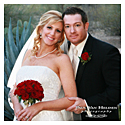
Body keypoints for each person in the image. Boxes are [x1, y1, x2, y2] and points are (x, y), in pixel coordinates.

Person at [9, 10, 77, 121]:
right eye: (49, 27)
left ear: (61, 36)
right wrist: (17, 107)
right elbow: (15, 89)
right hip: (22, 117)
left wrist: (39, 106)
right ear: (40, 29)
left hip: (48, 118)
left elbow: (71, 98)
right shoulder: (28, 54)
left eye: (58, 31)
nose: (52, 33)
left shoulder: (61, 59)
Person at [61, 7, 121, 121]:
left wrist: (86, 104)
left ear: (86, 26)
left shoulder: (107, 52)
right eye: (67, 26)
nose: (72, 31)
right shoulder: (61, 51)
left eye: (77, 25)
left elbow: (117, 91)